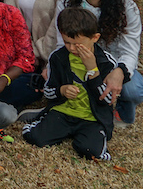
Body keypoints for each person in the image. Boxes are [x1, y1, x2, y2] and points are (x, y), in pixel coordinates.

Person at [47, 0, 143, 126]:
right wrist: (53, 68)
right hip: (77, 59)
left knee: (133, 90)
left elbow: (130, 49)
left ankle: (122, 112)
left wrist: (119, 72)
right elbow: (62, 42)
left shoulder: (127, 7)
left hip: (112, 63)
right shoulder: (67, 2)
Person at [22, 8, 118, 160]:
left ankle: (92, 135)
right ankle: (44, 120)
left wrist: (93, 70)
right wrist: (62, 90)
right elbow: (48, 91)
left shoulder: (107, 62)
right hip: (63, 112)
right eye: (67, 42)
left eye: (78, 44)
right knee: (35, 138)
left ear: (95, 38)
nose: (72, 48)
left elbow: (107, 100)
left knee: (90, 151)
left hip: (92, 118)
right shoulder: (58, 57)